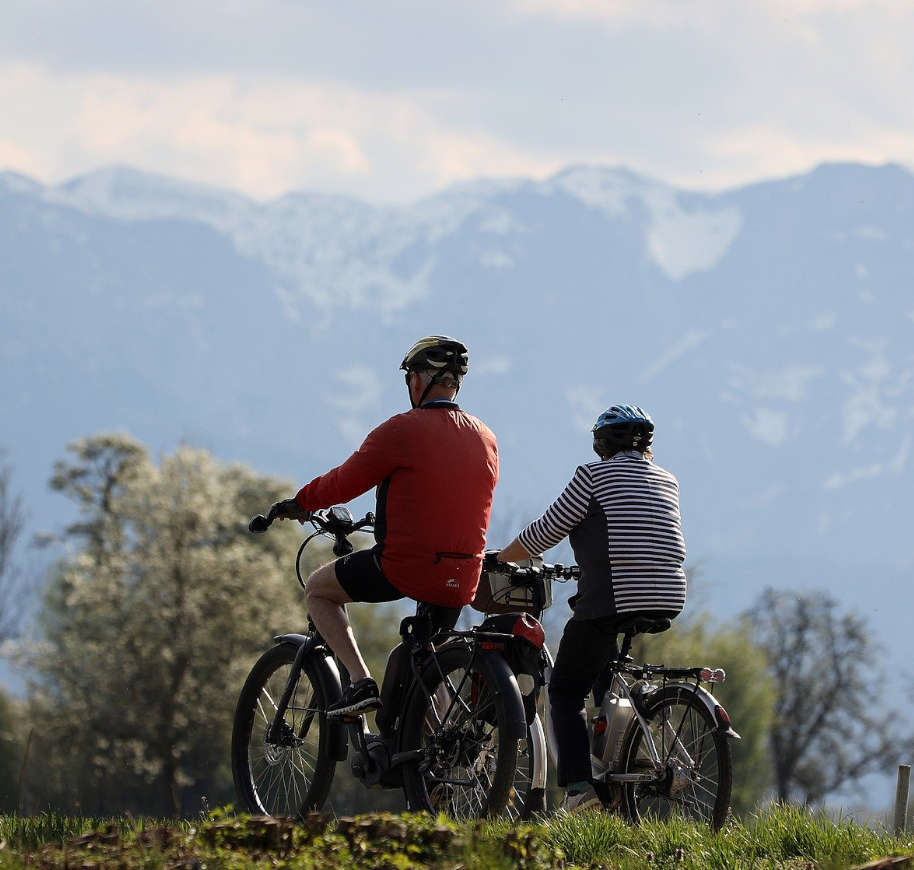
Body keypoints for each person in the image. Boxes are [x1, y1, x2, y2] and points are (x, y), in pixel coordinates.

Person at [268, 335, 498, 718]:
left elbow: (346, 480)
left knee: (319, 589)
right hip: (464, 574)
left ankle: (360, 682)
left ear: (420, 380)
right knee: (425, 664)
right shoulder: (486, 437)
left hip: (406, 568)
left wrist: (301, 502)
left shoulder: (402, 430)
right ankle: (434, 764)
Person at [496, 405, 686, 812]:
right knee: (602, 662)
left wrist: (500, 558)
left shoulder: (593, 476)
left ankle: (580, 788)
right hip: (668, 593)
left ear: (601, 443)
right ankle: (622, 749)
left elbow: (545, 531)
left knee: (565, 690)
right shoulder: (667, 480)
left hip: (616, 594)